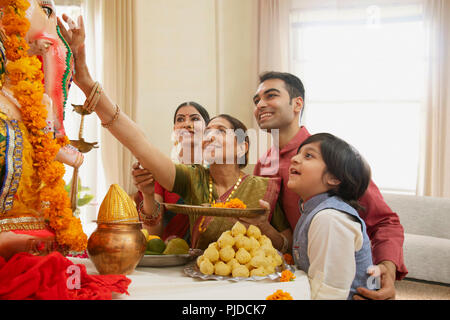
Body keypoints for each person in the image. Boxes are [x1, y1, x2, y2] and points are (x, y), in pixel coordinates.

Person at [58, 16, 292, 252]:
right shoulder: (193, 178)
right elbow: (140, 144)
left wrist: (266, 229)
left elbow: (287, 242)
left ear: (242, 146)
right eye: (208, 132)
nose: (209, 136)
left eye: (220, 131)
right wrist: (87, 83)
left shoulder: (265, 187)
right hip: (199, 274)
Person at [252, 71, 407, 299]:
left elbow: (385, 221)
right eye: (256, 100)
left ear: (297, 104)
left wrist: (387, 272)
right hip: (296, 277)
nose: (260, 104)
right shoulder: (264, 164)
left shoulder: (329, 161)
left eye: (271, 95)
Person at [0, 0, 87, 260]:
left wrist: (69, 47)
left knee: (40, 120)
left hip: (26, 94)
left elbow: (52, 50)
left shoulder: (40, 6)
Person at [288, 133, 373, 299]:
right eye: (298, 153)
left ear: (334, 178)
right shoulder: (313, 210)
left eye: (309, 155)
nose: (295, 159)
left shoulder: (330, 219)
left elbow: (329, 292)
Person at [132, 101, 210, 243]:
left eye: (195, 119)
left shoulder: (217, 173)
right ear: (175, 129)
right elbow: (153, 233)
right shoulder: (163, 173)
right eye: (180, 119)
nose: (187, 124)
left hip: (216, 255)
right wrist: (148, 194)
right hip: (173, 255)